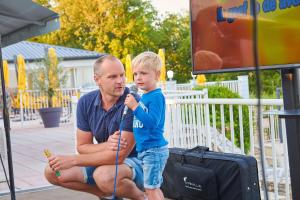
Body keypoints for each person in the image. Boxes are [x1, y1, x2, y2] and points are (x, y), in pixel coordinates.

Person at [44, 54, 147, 200]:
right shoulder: (85, 102)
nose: (120, 81)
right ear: (97, 79)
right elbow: (82, 146)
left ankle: (141, 197)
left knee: (103, 176)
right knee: (52, 171)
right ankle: (103, 193)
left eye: (122, 75)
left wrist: (72, 160)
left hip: (139, 162)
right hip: (105, 161)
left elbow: (118, 156)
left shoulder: (133, 102)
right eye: (112, 77)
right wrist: (108, 145)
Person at [124, 51, 169, 200]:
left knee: (151, 189)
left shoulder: (156, 96)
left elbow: (152, 123)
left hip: (154, 150)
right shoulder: (145, 96)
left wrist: (135, 107)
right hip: (145, 150)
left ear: (157, 74)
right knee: (151, 187)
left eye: (143, 73)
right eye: (135, 74)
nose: (138, 78)